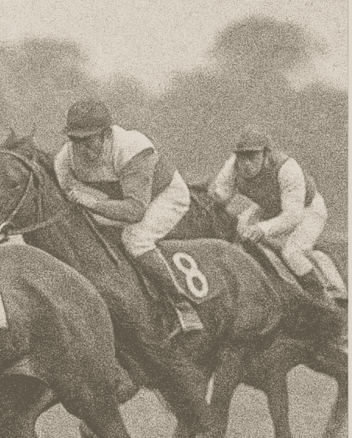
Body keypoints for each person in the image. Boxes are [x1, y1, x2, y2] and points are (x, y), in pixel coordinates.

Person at [54, 98, 203, 333]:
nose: (81, 148)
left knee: (135, 239)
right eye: (75, 140)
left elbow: (135, 211)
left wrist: (92, 202)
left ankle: (183, 305)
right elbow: (64, 196)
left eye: (88, 139)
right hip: (116, 202)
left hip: (162, 196)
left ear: (106, 134)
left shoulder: (131, 148)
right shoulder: (64, 159)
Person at [209, 125, 332, 300]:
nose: (245, 164)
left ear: (266, 154)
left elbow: (293, 216)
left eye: (252, 156)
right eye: (241, 156)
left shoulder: (288, 168)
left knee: (292, 252)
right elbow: (220, 197)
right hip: (269, 208)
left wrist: (262, 229)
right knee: (238, 235)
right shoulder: (232, 167)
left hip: (308, 210)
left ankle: (321, 298)